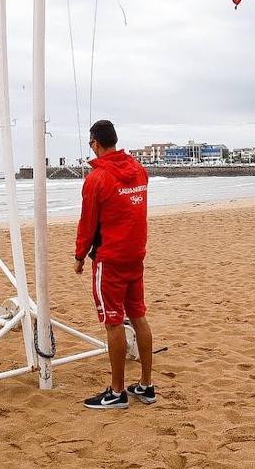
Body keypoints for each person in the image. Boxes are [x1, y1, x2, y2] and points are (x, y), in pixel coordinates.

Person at [74, 119, 155, 409]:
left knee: (113, 323)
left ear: (95, 142)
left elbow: (88, 222)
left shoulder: (97, 179)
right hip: (136, 256)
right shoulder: (139, 170)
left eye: (90, 143)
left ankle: (118, 391)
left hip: (111, 259)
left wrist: (79, 256)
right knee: (138, 316)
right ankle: (146, 384)